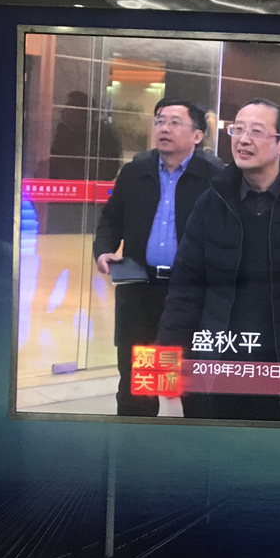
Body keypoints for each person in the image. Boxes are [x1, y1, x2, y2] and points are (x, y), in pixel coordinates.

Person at [157, 99, 280, 422]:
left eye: (256, 131)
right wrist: (168, 361)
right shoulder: (211, 202)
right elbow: (185, 288)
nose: (243, 140)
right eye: (238, 130)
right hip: (216, 367)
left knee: (278, 453)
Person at [93, 98, 221, 417]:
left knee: (191, 384)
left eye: (175, 122)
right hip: (140, 290)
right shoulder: (135, 171)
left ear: (197, 135)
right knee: (139, 385)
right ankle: (137, 444)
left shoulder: (215, 177)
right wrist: (104, 248)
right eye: (160, 121)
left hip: (188, 294)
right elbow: (112, 218)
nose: (164, 128)